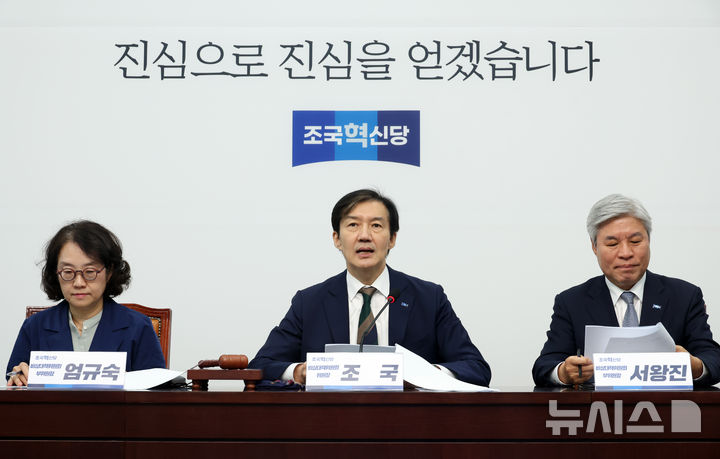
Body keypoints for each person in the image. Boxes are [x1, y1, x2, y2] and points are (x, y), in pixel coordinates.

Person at [249, 189, 491, 386]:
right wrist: (301, 372)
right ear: (337, 239)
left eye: (376, 226)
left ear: (392, 239)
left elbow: (476, 368)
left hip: (408, 422)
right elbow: (260, 366)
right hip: (330, 422)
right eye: (353, 225)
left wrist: (425, 374)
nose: (364, 236)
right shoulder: (310, 302)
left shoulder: (429, 298)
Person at [533, 194, 720, 386]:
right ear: (594, 247)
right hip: (598, 405)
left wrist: (695, 367)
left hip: (669, 404)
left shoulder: (684, 296)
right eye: (612, 244)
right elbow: (544, 366)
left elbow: (713, 359)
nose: (626, 253)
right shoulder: (572, 302)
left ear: (649, 240)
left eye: (635, 241)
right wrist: (564, 372)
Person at [6, 220, 165, 386]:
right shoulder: (35, 326)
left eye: (90, 271)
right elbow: (14, 384)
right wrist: (17, 376)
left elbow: (157, 392)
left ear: (109, 271)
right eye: (68, 272)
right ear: (56, 273)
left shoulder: (138, 327)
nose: (79, 283)